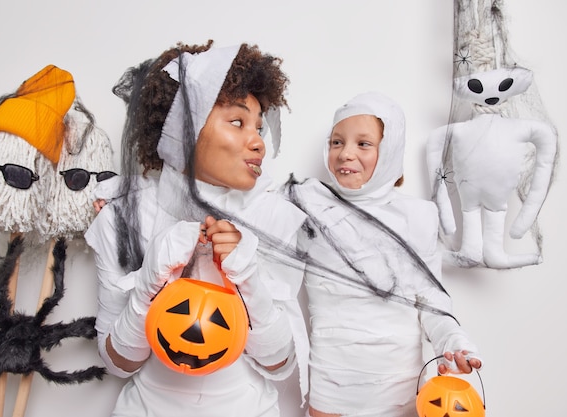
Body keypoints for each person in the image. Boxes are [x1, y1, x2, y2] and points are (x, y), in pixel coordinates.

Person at [85, 40, 309, 417]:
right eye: (237, 122)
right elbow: (118, 364)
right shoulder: (122, 219)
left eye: (258, 125)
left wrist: (248, 279)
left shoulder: (275, 218)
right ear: (182, 128)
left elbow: (282, 366)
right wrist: (147, 287)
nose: (258, 142)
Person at [282, 91, 482, 417]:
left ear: (389, 151)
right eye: (336, 142)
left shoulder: (418, 217)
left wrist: (453, 342)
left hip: (402, 392)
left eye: (363, 144)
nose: (345, 153)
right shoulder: (306, 205)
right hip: (332, 389)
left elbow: (432, 302)